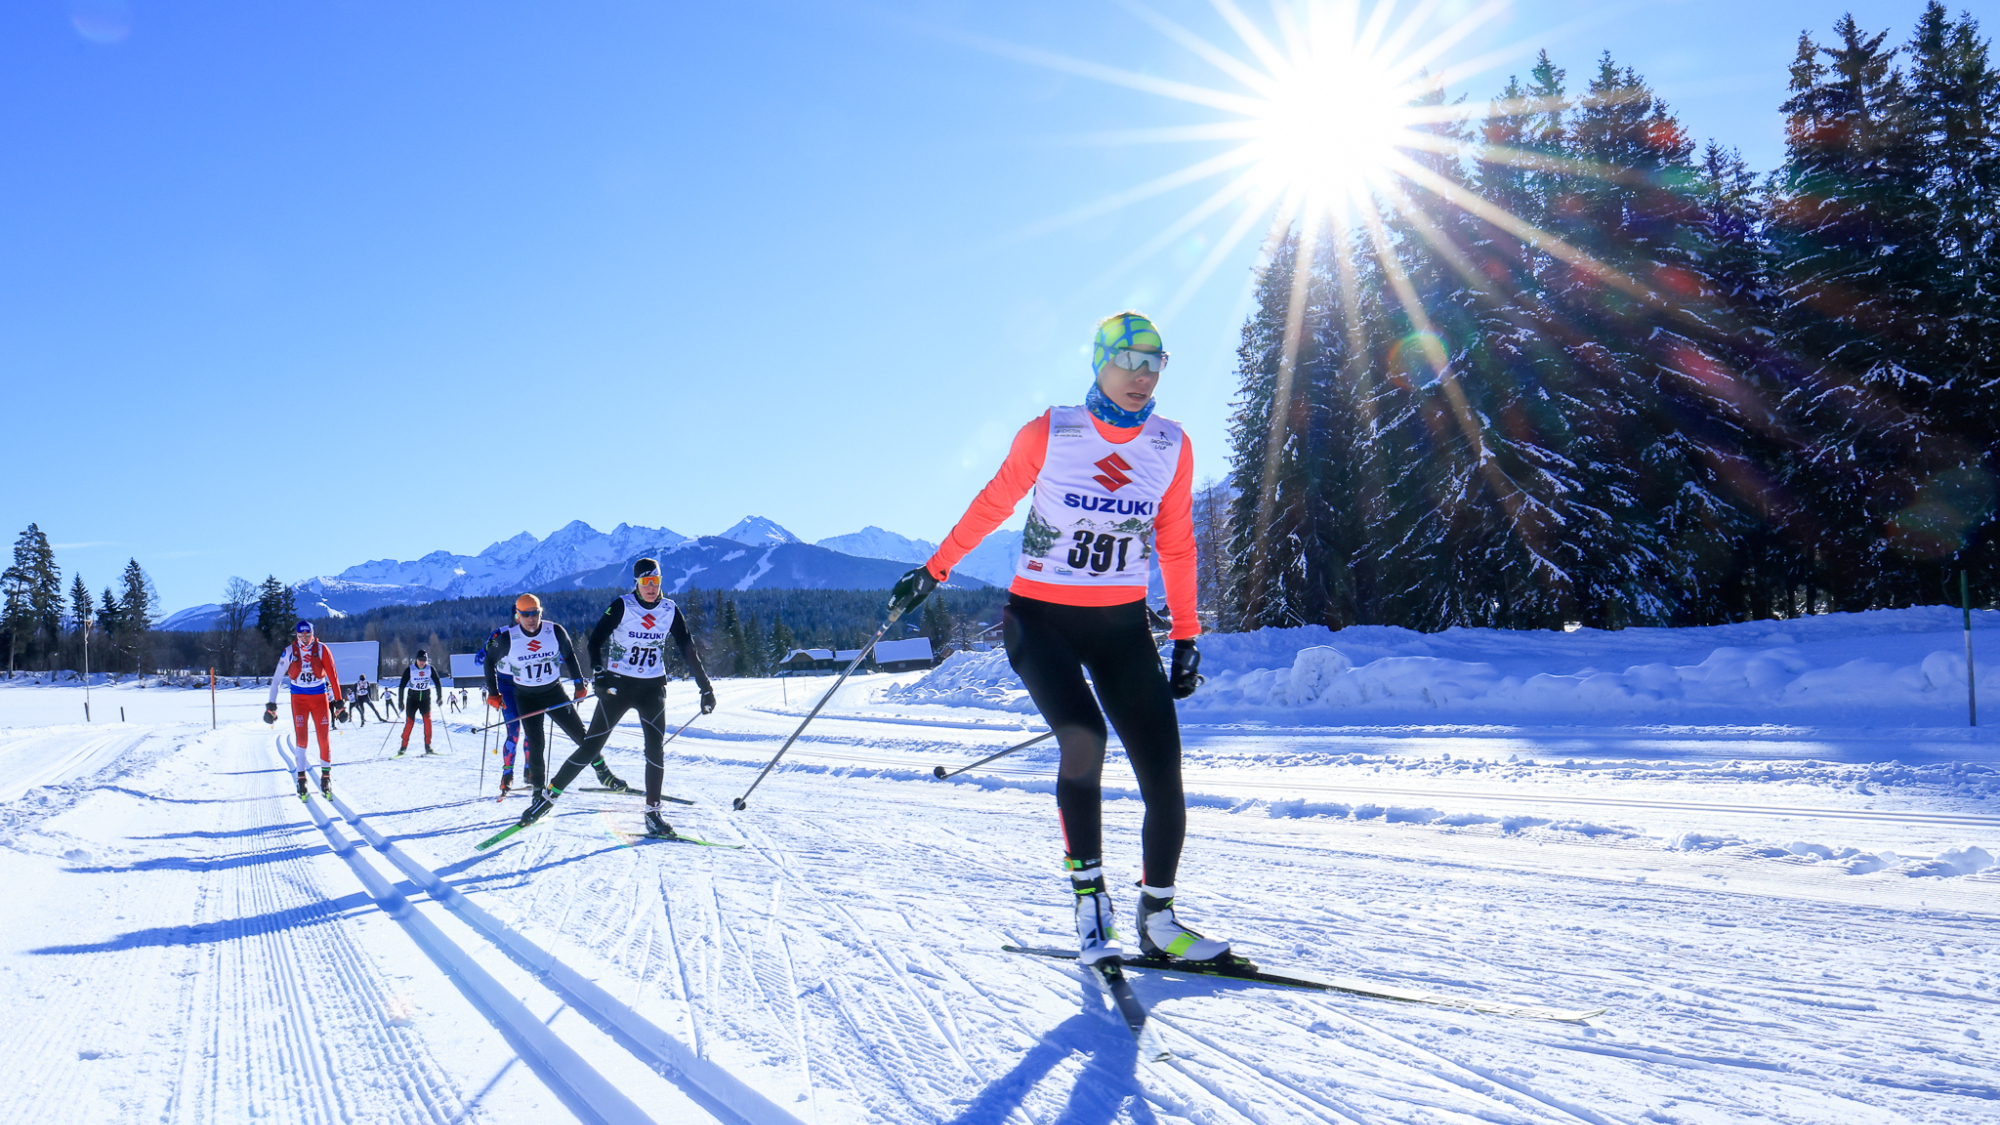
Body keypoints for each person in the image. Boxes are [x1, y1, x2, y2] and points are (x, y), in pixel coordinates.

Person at [887, 311, 1219, 966]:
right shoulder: (1052, 431)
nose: (1142, 375)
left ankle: (1158, 916)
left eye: (1155, 363)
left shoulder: (1170, 446)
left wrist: (1186, 634)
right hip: (1040, 620)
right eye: (1128, 359)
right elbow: (992, 502)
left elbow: (1178, 543)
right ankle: (1090, 899)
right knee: (1084, 737)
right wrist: (933, 570)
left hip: (1122, 625)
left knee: (1163, 768)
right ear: (1098, 361)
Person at [520, 558, 717, 835]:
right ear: (636, 583)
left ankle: (653, 814)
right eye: (646, 582)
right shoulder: (623, 605)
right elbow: (595, 641)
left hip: (652, 689)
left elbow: (687, 648)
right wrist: (599, 676)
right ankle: (547, 799)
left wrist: (705, 687)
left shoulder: (670, 609)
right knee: (591, 746)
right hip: (618, 688)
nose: (651, 588)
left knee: (655, 749)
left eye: (656, 582)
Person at [482, 593, 592, 801]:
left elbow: (565, 654)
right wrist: (493, 690)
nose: (530, 619)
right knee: (515, 732)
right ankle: (508, 775)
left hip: (534, 685)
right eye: (524, 615)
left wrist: (576, 682)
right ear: (517, 616)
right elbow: (483, 659)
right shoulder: (502, 635)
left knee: (534, 738)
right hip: (509, 687)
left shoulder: (544, 631)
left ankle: (530, 774)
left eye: (535, 614)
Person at [262, 620, 347, 798]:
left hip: (319, 698)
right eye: (301, 635)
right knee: (302, 738)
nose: (305, 639)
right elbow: (276, 679)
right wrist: (271, 705)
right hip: (299, 699)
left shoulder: (322, 649)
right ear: (297, 635)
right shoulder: (289, 652)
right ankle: (301, 778)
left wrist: (339, 703)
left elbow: (333, 675)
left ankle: (325, 777)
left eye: (308, 635)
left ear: (312, 633)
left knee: (323, 737)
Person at [397, 650, 445, 755]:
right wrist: (400, 701)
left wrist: (439, 697)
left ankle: (428, 746)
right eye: (420, 660)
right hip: (412, 699)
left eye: (424, 660)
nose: (422, 662)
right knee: (410, 723)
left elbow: (437, 683)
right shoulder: (410, 669)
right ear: (416, 659)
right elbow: (402, 686)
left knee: (427, 721)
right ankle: (403, 747)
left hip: (425, 699)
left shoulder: (430, 669)